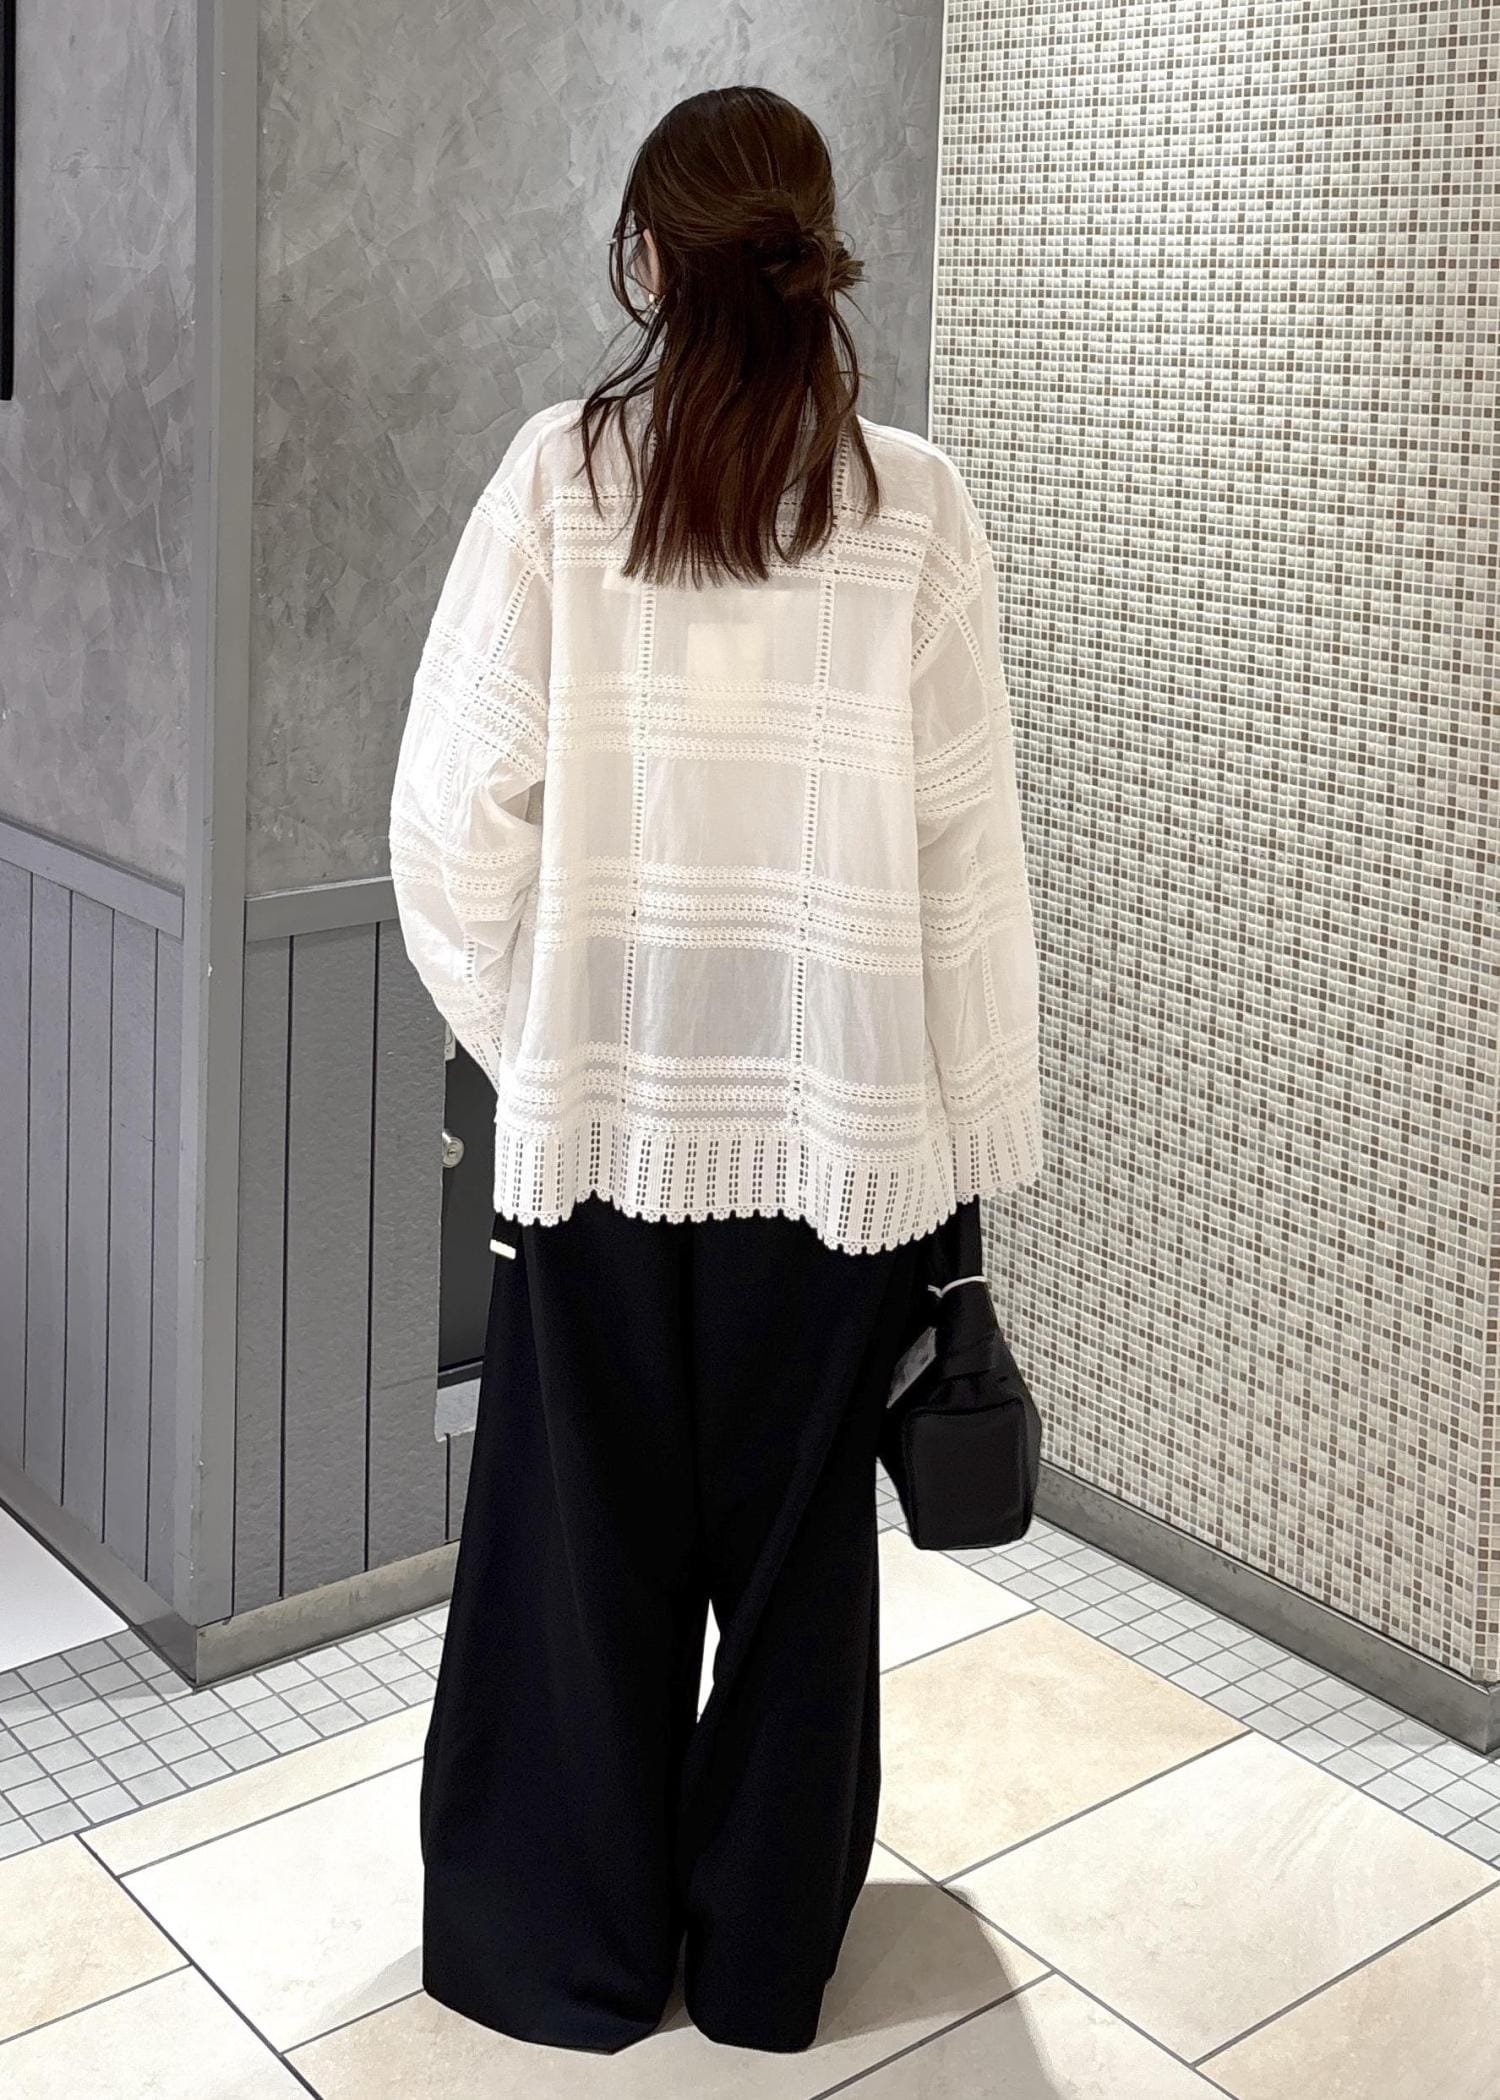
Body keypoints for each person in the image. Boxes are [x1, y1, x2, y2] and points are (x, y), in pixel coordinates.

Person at [388, 82, 1041, 2057]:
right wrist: (955, 1129)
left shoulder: (558, 481)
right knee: (794, 1571)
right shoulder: (913, 506)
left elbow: (450, 824)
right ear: (810, 254)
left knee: (574, 1564)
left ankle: (564, 1957)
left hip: (599, 1139)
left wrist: (543, 1040)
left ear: (645, 260)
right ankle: (760, 1970)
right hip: (841, 1149)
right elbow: (965, 855)